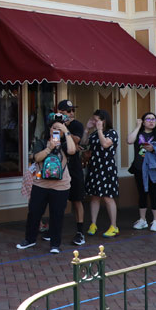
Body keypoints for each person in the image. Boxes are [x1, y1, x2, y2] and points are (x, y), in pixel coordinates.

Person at [17, 114, 77, 252]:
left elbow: (72, 151)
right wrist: (49, 148)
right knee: (34, 213)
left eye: (59, 129)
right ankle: (30, 239)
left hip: (61, 186)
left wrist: (66, 131)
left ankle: (55, 245)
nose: (56, 131)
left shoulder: (66, 143)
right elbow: (36, 157)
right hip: (41, 184)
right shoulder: (42, 142)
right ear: (49, 129)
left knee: (57, 215)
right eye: (54, 128)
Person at [127, 112, 156, 232]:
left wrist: (154, 148)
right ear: (143, 121)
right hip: (139, 168)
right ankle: (142, 219)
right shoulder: (138, 133)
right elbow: (129, 140)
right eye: (148, 119)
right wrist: (137, 126)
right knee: (142, 194)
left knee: (153, 193)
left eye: (153, 119)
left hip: (153, 169)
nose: (151, 121)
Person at [54, 100, 87, 245]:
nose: (71, 113)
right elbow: (51, 141)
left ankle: (80, 232)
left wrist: (65, 129)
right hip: (58, 167)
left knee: (77, 200)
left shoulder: (76, 125)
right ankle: (54, 231)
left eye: (73, 110)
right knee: (57, 201)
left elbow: (77, 141)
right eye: (68, 111)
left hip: (74, 167)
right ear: (60, 112)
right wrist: (58, 126)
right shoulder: (54, 124)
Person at [85, 109, 120, 237]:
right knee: (94, 196)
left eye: (96, 120)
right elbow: (84, 143)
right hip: (94, 166)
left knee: (107, 197)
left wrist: (100, 130)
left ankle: (114, 226)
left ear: (104, 120)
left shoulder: (112, 133)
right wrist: (87, 129)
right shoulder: (94, 134)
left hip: (107, 168)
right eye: (93, 119)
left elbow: (105, 144)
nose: (94, 122)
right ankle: (93, 223)